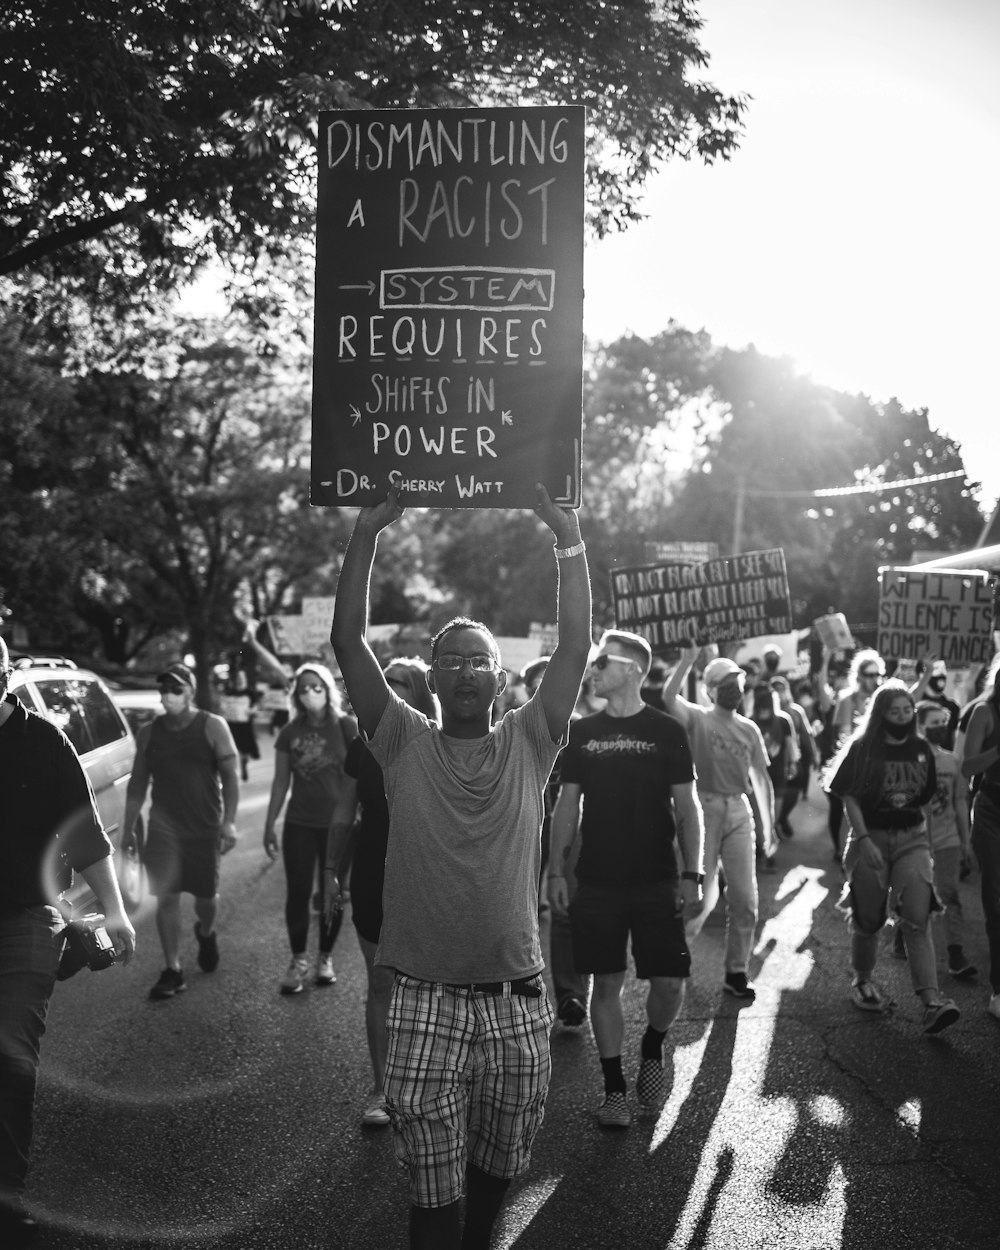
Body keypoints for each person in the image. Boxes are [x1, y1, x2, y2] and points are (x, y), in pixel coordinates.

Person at [329, 484, 591, 1250]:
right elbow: (349, 645)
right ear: (434, 677)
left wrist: (566, 537)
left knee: (495, 1173)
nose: (469, 671)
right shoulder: (399, 739)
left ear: (502, 678)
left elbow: (574, 648)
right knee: (432, 1190)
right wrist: (367, 534)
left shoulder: (532, 738)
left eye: (482, 660)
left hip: (516, 1002)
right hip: (421, 1002)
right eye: (454, 661)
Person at [0, 637, 136, 1247]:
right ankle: (77, 942)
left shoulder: (45, 743)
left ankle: (5, 1194)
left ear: (5, 675)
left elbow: (87, 841)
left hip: (26, 917)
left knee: (10, 1056)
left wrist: (115, 913)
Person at [549, 630, 705, 1129]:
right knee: (606, 981)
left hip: (657, 876)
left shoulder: (666, 729)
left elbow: (688, 807)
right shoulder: (582, 732)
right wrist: (556, 870)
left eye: (601, 663)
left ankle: (655, 1045)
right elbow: (566, 805)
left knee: (669, 982)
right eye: (592, 664)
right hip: (597, 878)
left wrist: (692, 872)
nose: (591, 671)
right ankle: (614, 1089)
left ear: (634, 669)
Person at [323, 657, 437, 1128]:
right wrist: (331, 869)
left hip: (429, 876)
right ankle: (383, 1088)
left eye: (399, 685)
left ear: (419, 695)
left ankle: (432, 1084)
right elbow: (344, 812)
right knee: (381, 983)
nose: (388, 692)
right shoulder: (361, 744)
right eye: (383, 683)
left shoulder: (437, 741)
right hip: (372, 871)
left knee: (431, 987)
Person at [826, 681, 960, 1034]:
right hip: (871, 838)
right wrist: (864, 839)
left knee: (918, 917)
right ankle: (864, 981)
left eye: (907, 711)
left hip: (911, 841)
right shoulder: (863, 747)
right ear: (880, 713)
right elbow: (848, 796)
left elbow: (924, 802)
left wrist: (927, 845)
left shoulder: (922, 749)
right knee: (869, 919)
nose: (902, 717)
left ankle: (932, 1002)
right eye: (895, 711)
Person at [663, 648, 776, 1002]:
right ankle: (676, 957)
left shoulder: (749, 728)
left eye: (737, 681)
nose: (734, 688)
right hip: (704, 809)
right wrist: (686, 660)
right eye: (726, 683)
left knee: (746, 898)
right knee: (700, 897)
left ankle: (736, 972)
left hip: (739, 812)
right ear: (710, 689)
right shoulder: (698, 718)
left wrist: (769, 829)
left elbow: (761, 779)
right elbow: (669, 697)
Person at [123, 662, 239, 1000]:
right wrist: (128, 829)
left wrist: (229, 821)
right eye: (164, 689)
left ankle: (206, 931)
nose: (168, 695)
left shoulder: (212, 726)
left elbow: (230, 778)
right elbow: (137, 785)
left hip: (204, 827)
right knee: (167, 897)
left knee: (206, 898)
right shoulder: (149, 733)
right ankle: (172, 969)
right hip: (163, 831)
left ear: (189, 691)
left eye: (176, 689)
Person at [263, 663, 357, 994]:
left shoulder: (346, 726)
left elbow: (360, 775)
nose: (310, 693)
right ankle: (299, 959)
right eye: (303, 688)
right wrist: (269, 824)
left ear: (327, 688)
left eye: (316, 686)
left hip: (339, 826)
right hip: (299, 823)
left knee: (331, 892)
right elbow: (279, 783)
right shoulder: (290, 732)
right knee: (299, 892)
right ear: (296, 695)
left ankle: (325, 958)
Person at [523, 656, 589, 1030]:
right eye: (535, 684)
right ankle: (524, 987)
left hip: (570, 829)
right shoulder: (515, 727)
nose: (542, 690)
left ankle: (570, 995)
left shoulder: (582, 730)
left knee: (565, 909)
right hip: (526, 827)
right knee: (521, 907)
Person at [890, 702, 975, 980]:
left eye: (943, 722)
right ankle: (903, 935)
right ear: (920, 725)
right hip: (915, 839)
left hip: (947, 838)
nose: (940, 728)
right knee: (914, 893)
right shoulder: (910, 758)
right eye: (934, 722)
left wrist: (966, 841)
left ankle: (955, 955)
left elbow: (960, 801)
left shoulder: (953, 762)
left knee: (949, 893)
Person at [958, 659, 1000, 1020]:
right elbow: (967, 767)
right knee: (996, 902)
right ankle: (998, 990)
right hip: (992, 813)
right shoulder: (985, 711)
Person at [771, 674, 819, 839]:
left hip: (792, 758)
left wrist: (813, 756)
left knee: (793, 792)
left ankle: (782, 817)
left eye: (781, 689)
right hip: (773, 761)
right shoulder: (765, 711)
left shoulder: (796, 711)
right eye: (775, 690)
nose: (778, 693)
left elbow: (806, 735)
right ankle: (774, 824)